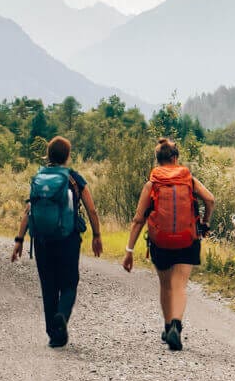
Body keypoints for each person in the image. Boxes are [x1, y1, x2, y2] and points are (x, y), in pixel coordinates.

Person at [121, 137, 215, 351]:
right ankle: (176, 325)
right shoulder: (188, 179)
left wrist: (129, 251)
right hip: (187, 239)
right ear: (175, 157)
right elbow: (210, 199)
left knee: (165, 285)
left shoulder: (152, 183)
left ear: (158, 159)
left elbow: (138, 219)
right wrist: (205, 223)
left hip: (160, 242)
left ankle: (166, 326)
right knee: (180, 285)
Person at [11, 136, 103, 347]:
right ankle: (62, 315)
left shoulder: (39, 177)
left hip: (42, 241)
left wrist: (19, 240)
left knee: (48, 286)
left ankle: (54, 335)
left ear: (48, 155)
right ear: (68, 156)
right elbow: (92, 209)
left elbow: (29, 210)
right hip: (68, 240)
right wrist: (97, 236)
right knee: (69, 283)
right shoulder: (73, 178)